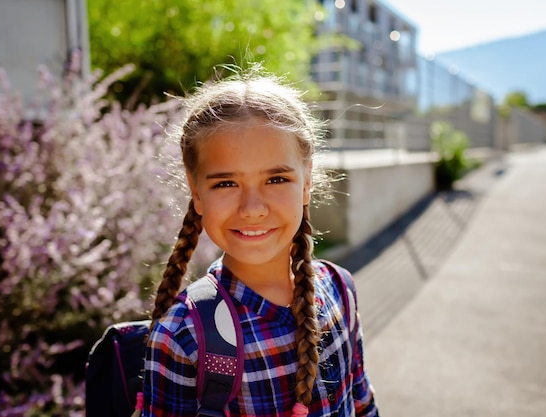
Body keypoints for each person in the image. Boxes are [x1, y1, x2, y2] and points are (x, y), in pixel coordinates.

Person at [143, 66, 379, 417]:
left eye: (277, 179)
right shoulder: (183, 335)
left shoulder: (340, 287)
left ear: (307, 181)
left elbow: (361, 401)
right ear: (196, 193)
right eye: (225, 183)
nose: (252, 209)